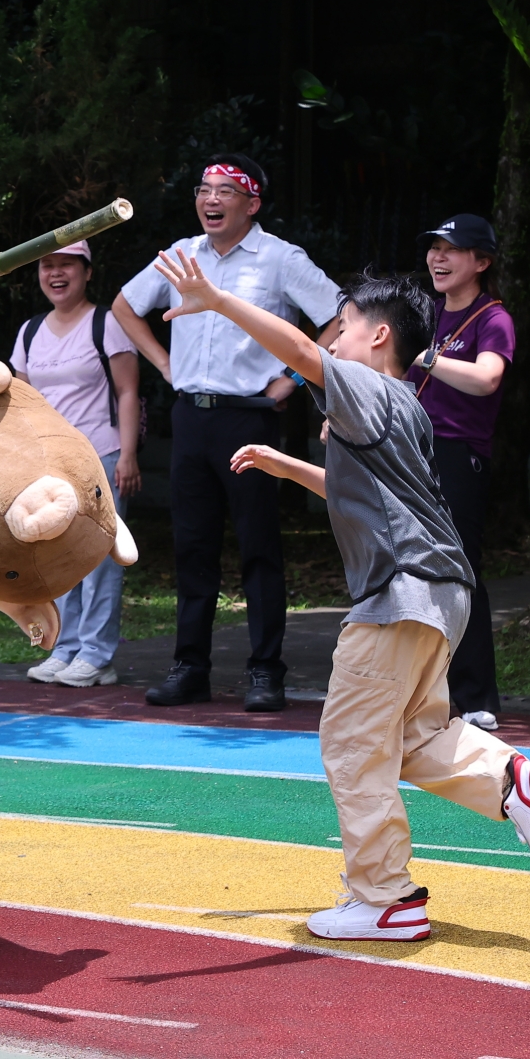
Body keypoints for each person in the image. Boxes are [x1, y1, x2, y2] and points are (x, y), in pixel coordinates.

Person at [152, 251, 530, 939]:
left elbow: (297, 350)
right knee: (412, 736)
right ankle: (512, 781)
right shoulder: (407, 408)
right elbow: (366, 494)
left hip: (397, 594)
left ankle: (384, 895)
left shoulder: (366, 388)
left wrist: (220, 302)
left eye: (344, 325)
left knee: (352, 740)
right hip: (442, 594)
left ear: (379, 336)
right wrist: (287, 465)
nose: (334, 338)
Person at [116, 156, 343, 712]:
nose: (210, 200)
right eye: (203, 190)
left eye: (224, 191)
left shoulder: (279, 258)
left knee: (259, 548)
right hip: (191, 415)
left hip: (250, 416)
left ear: (252, 203)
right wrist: (165, 367)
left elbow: (341, 313)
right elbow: (124, 306)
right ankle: (188, 667)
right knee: (192, 547)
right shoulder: (182, 253)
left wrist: (292, 378)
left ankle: (266, 672)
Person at [14, 239, 142, 687]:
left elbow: (128, 392)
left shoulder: (105, 324)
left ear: (87, 272)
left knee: (100, 560)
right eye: (48, 265)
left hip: (100, 457)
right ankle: (63, 648)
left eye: (67, 265)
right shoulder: (30, 331)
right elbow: (23, 402)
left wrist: (127, 455)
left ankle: (97, 654)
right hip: (48, 463)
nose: (56, 274)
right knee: (54, 559)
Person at [406, 215, 513, 732]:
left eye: (452, 249)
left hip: (457, 454)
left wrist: (425, 358)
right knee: (412, 571)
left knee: (460, 571)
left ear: (482, 262)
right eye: (434, 247)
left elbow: (487, 378)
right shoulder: (422, 313)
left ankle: (476, 696)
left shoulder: (493, 318)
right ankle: (421, 690)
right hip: (410, 450)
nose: (438, 258)